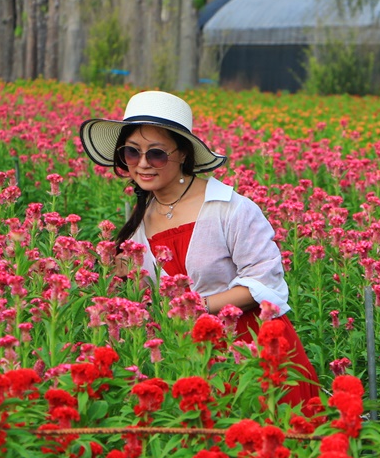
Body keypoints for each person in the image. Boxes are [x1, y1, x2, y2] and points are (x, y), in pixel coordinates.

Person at [79, 90, 320, 406]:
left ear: (182, 154)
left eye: (156, 154)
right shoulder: (140, 223)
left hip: (253, 353)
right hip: (188, 359)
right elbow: (155, 300)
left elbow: (267, 286)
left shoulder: (230, 208)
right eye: (131, 153)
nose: (142, 164)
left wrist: (195, 308)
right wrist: (122, 277)